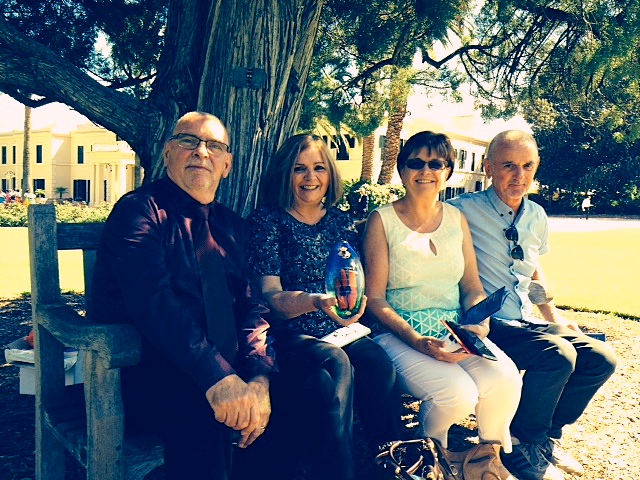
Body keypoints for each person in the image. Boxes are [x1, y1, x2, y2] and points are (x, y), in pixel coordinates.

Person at [90, 112, 276, 480]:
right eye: (189, 141)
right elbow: (154, 304)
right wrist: (218, 378)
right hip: (151, 371)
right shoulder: (139, 211)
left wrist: (258, 378)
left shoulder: (231, 226)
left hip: (226, 370)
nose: (201, 152)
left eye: (214, 146)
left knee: (309, 388)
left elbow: (253, 307)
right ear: (167, 153)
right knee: (207, 415)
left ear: (227, 165)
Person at [449, 130, 617, 480]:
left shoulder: (537, 215)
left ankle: (547, 437)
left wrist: (553, 316)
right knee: (557, 356)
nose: (518, 175)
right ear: (488, 167)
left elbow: (534, 270)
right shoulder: (460, 212)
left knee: (601, 359)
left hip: (525, 321)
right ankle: (522, 442)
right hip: (488, 323)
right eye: (508, 165)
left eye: (527, 166)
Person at [362, 131, 522, 478]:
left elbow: (471, 286)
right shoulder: (382, 221)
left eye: (436, 163)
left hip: (455, 333)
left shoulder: (456, 220)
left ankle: (484, 462)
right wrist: (417, 341)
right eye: (415, 163)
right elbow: (374, 299)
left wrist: (479, 322)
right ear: (402, 170)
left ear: (448, 170)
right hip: (399, 334)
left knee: (506, 379)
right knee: (457, 395)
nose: (426, 171)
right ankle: (430, 460)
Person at [245, 134, 402, 480]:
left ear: (330, 174)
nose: (310, 178)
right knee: (333, 366)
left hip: (341, 329)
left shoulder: (340, 222)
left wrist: (355, 305)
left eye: (318, 168)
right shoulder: (267, 221)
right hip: (291, 333)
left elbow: (354, 279)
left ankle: (392, 464)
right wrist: (315, 302)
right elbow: (271, 298)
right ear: (284, 174)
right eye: (299, 169)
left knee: (378, 363)